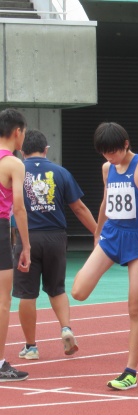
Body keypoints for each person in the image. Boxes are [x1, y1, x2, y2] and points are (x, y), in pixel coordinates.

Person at [71, 122, 138, 390]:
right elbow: (105, 201)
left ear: (126, 144)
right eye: (105, 153)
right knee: (78, 291)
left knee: (136, 309)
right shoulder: (106, 168)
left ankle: (130, 372)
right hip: (111, 235)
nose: (110, 157)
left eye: (114, 152)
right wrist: (97, 233)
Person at [13, 130, 97, 360]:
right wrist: (98, 232)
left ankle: (31, 346)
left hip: (27, 237)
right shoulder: (60, 172)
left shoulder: (16, 171)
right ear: (46, 149)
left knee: (27, 294)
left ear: (22, 150)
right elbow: (78, 207)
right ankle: (66, 328)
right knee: (57, 288)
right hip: (56, 237)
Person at [0, 108, 30, 382]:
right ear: (17, 131)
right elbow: (19, 208)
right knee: (2, 299)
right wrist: (26, 246)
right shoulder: (13, 164)